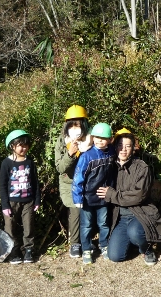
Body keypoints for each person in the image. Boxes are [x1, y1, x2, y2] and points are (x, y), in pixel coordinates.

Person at [97, 131, 161, 266]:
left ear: (133, 148)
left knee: (135, 232)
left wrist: (112, 195)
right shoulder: (109, 166)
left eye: (128, 146)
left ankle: (146, 249)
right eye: (120, 145)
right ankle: (135, 241)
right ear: (115, 146)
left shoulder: (142, 167)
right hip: (121, 217)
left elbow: (138, 196)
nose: (123, 149)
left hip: (140, 213)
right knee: (115, 256)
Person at [72, 122, 115, 264]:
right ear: (92, 138)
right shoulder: (87, 156)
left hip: (103, 197)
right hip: (87, 198)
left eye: (103, 138)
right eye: (96, 137)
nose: (99, 140)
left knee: (104, 223)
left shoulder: (111, 153)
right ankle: (86, 249)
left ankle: (104, 245)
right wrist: (77, 197)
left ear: (109, 139)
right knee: (86, 225)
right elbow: (78, 178)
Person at [54, 105, 93, 258]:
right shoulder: (62, 141)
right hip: (69, 184)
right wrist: (70, 154)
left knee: (93, 210)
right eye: (71, 125)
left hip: (88, 183)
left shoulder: (91, 139)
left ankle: (90, 241)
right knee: (75, 211)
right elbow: (60, 168)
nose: (75, 128)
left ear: (84, 124)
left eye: (78, 124)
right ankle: (75, 243)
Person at [0, 130, 41, 264]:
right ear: (12, 146)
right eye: (19, 145)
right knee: (10, 227)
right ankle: (13, 250)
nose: (23, 148)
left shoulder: (30, 162)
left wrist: (37, 200)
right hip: (12, 201)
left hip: (28, 200)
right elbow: (3, 185)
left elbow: (35, 182)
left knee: (28, 226)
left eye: (25, 145)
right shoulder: (6, 163)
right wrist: (5, 205)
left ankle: (28, 249)